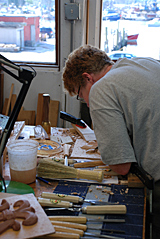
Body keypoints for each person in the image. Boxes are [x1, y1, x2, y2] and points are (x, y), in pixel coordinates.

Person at [62, 44, 160, 238]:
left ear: (87, 78)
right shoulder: (144, 63)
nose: (87, 103)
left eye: (81, 96)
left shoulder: (101, 88)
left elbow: (121, 166)